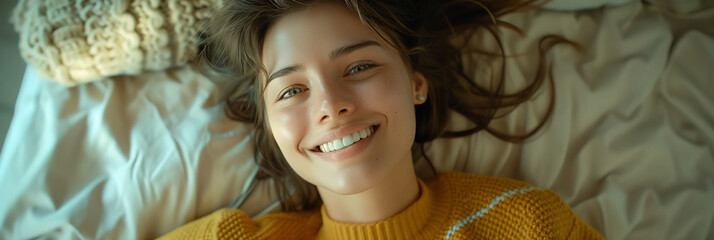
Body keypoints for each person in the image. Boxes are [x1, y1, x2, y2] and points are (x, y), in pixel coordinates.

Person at [161, 0, 604, 239]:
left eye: (358, 68)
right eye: (292, 90)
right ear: (272, 129)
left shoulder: (528, 223)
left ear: (416, 84)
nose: (330, 106)